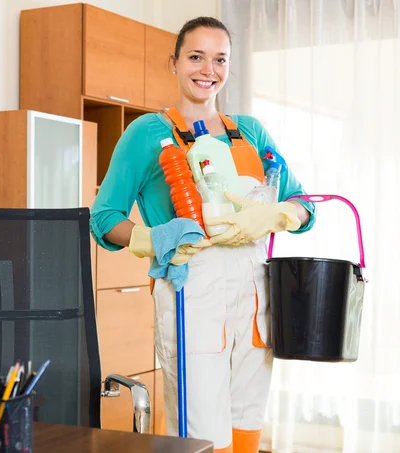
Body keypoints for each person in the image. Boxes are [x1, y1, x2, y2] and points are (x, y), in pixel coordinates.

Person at [90, 16, 316, 453]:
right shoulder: (146, 133)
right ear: (173, 63)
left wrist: (272, 217)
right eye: (196, 57)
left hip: (254, 303)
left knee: (247, 427)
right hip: (190, 296)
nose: (207, 69)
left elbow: (304, 205)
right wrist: (152, 239)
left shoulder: (250, 132)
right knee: (201, 437)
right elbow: (104, 217)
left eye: (219, 59)